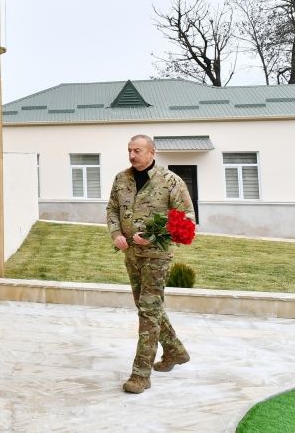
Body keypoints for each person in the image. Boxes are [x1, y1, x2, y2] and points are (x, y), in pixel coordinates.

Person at [106, 134, 194, 394]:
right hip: (131, 255)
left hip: (157, 256)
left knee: (147, 310)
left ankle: (140, 374)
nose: (133, 155)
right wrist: (115, 234)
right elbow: (112, 208)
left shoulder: (170, 181)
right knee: (148, 307)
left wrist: (153, 236)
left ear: (152, 152)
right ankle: (175, 351)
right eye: (130, 150)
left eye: (138, 150)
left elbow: (187, 218)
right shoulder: (121, 179)